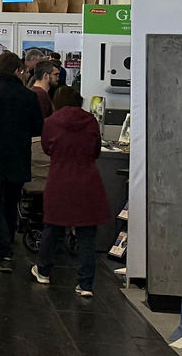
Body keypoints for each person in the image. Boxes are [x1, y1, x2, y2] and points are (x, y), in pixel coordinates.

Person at [31, 87, 109, 298]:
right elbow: (96, 150)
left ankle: (44, 271)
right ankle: (85, 284)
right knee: (86, 234)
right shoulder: (91, 121)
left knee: (52, 229)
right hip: (87, 182)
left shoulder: (51, 122)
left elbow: (47, 148)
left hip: (60, 181)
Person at [0, 50, 44, 274]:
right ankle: (7, 245)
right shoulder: (28, 96)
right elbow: (37, 127)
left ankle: (2, 250)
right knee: (11, 202)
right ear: (17, 70)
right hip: (18, 157)